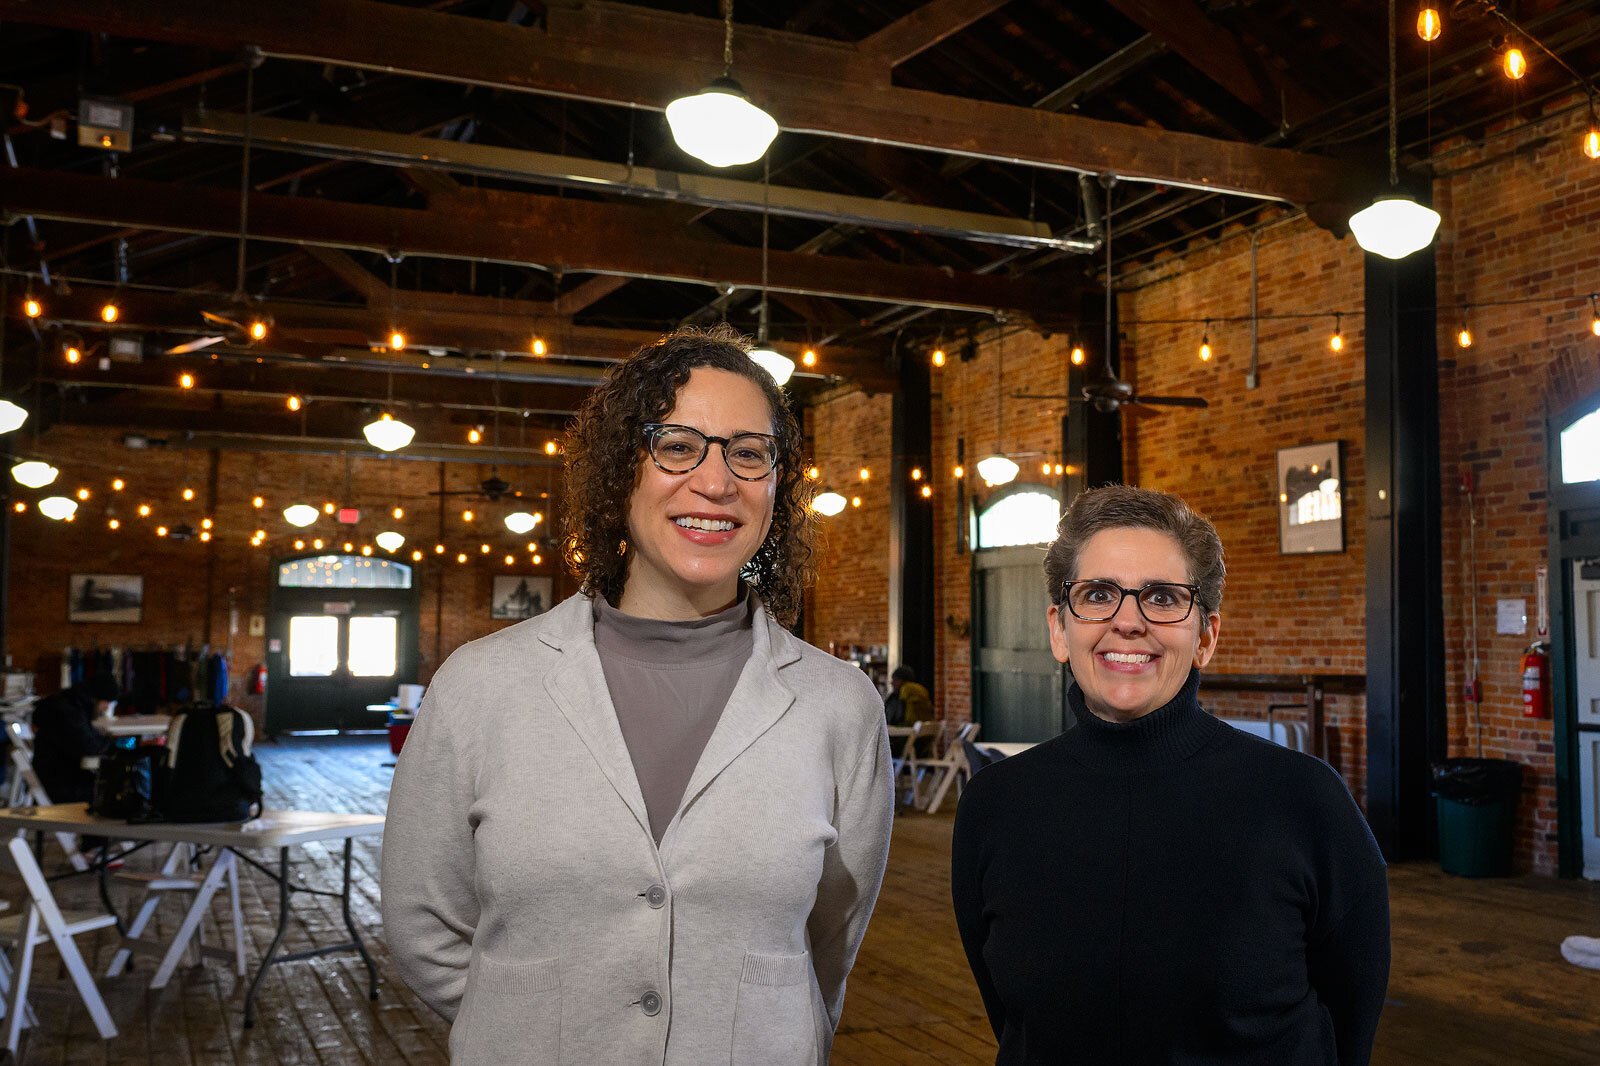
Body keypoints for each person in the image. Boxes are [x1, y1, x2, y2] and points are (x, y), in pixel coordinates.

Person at [382, 325, 894, 1065]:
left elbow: (829, 941)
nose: (716, 483)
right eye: (678, 445)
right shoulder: (482, 685)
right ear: (623, 467)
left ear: (777, 486)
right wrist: (543, 1031)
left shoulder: (837, 706)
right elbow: (426, 924)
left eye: (748, 453)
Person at [951, 485, 1390, 1065]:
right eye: (1099, 593)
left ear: (1205, 635)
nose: (1128, 621)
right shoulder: (995, 805)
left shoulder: (1304, 800)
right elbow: (1016, 1019)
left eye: (1161, 597)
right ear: (1060, 630)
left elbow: (1350, 1015)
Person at [29, 673, 118, 803]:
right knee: (112, 789)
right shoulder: (69, 712)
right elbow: (89, 746)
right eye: (107, 702)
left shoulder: (70, 704)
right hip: (61, 785)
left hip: (57, 776)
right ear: (97, 698)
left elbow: (87, 740)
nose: (106, 708)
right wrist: (115, 745)